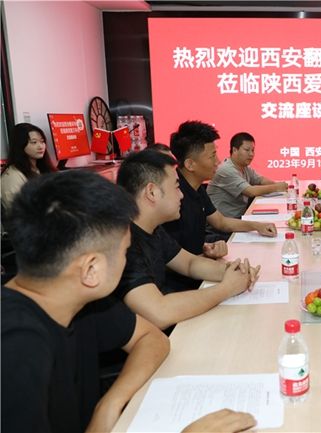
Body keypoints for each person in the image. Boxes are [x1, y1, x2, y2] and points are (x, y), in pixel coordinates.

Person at [1, 170, 170, 433]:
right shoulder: (15, 350)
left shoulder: (76, 298)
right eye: (125, 251)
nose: (126, 261)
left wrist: (109, 404)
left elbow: (153, 338)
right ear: (91, 269)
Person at [115, 150, 259, 331]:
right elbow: (159, 312)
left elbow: (190, 263)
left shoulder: (153, 229)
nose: (182, 195)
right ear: (151, 192)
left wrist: (235, 272)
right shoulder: (121, 243)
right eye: (176, 187)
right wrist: (227, 288)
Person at [164, 121, 277, 292]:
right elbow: (172, 259)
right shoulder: (173, 199)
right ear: (190, 164)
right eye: (212, 156)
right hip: (184, 285)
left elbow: (221, 222)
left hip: (202, 269)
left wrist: (257, 226)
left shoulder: (196, 188)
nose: (217, 162)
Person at [207, 132, 288, 219]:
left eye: (252, 150)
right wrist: (277, 187)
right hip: (224, 222)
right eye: (247, 150)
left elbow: (261, 180)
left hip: (239, 218)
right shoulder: (226, 169)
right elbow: (251, 192)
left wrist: (277, 185)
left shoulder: (244, 167)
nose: (251, 154)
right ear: (234, 150)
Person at [1, 122, 56, 209]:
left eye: (42, 141)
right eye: (34, 142)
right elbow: (17, 210)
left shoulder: (40, 168)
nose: (40, 146)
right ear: (20, 145)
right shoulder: (12, 177)